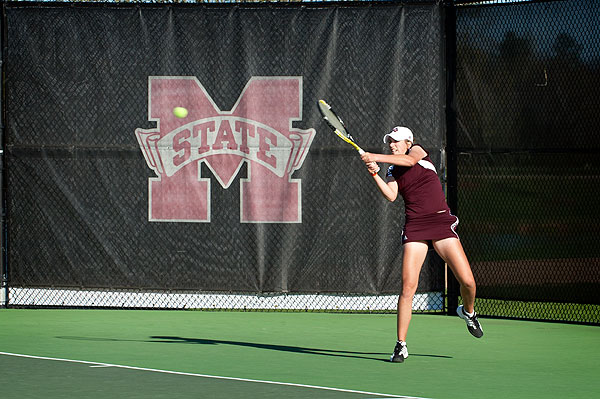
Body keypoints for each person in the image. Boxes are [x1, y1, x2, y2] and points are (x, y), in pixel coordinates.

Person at [361, 126, 483, 363]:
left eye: (396, 141)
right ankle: (400, 345)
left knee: (468, 282)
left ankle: (468, 312)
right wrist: (375, 173)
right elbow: (390, 195)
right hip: (415, 226)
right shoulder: (392, 169)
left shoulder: (417, 152)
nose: (392, 145)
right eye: (390, 142)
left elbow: (408, 160)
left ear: (409, 142)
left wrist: (374, 156)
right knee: (408, 287)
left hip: (439, 221)